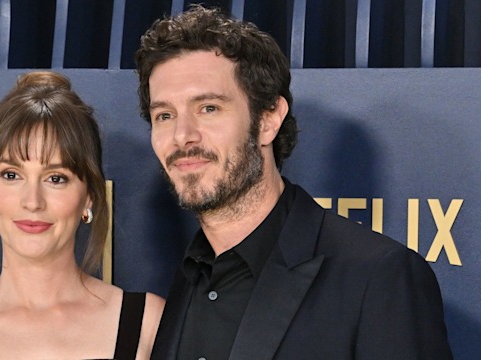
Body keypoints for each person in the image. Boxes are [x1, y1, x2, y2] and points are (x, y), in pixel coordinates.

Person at [135, 5, 452, 359]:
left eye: (208, 108)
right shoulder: (186, 278)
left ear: (269, 120)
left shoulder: (377, 277)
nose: (182, 136)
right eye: (164, 115)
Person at [0, 71, 164, 359]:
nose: (32, 201)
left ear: (89, 197)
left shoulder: (149, 324)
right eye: (12, 175)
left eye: (56, 178)